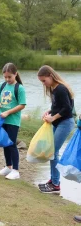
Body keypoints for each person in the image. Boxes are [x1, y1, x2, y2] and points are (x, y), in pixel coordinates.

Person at [37, 65, 75, 194]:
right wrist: (49, 112)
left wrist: (53, 118)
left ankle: (56, 184)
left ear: (51, 76)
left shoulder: (60, 89)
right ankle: (53, 180)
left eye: (44, 81)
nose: (43, 84)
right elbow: (58, 106)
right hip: (58, 123)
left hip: (65, 123)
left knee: (53, 152)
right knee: (52, 152)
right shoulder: (54, 89)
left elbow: (68, 109)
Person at [0, 63, 26, 180]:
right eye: (5, 77)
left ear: (15, 74)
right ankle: (8, 166)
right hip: (1, 120)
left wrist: (8, 112)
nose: (7, 79)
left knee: (11, 144)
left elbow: (22, 105)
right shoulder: (2, 86)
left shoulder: (19, 88)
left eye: (9, 77)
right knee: (4, 144)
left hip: (13, 121)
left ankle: (16, 170)